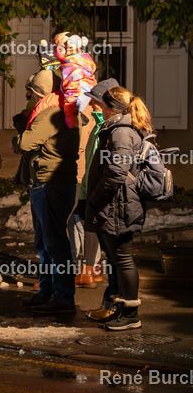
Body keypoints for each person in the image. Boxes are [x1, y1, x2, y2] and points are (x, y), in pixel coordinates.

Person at [12, 69, 80, 315]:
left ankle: (62, 297)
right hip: (50, 182)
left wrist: (17, 136)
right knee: (46, 242)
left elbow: (25, 142)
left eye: (32, 91)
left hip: (50, 182)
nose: (29, 96)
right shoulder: (63, 109)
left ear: (40, 91)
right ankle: (48, 292)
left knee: (54, 243)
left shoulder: (51, 112)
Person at [83, 86, 151, 331]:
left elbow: (116, 174)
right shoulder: (119, 128)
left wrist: (95, 199)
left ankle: (131, 314)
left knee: (123, 259)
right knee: (116, 259)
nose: (99, 109)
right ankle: (122, 309)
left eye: (101, 105)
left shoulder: (121, 132)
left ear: (110, 106)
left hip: (118, 205)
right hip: (115, 204)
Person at [75, 79, 118, 293]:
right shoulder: (101, 126)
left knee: (93, 229)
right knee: (96, 230)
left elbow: (95, 165)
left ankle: (88, 271)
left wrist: (89, 194)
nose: (91, 105)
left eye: (94, 101)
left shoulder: (105, 128)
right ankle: (93, 271)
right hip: (96, 188)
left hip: (100, 190)